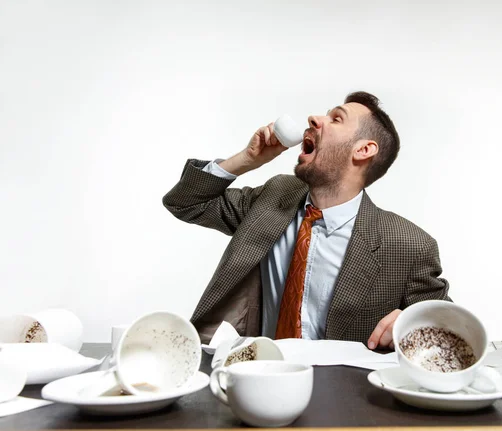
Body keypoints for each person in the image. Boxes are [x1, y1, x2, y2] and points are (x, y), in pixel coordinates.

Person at [163, 91, 450, 350]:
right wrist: (246, 160)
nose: (314, 118)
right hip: (261, 381)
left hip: (346, 397)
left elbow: (447, 333)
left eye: (336, 118)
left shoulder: (409, 245)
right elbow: (186, 203)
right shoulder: (274, 197)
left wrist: (412, 322)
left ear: (363, 150)